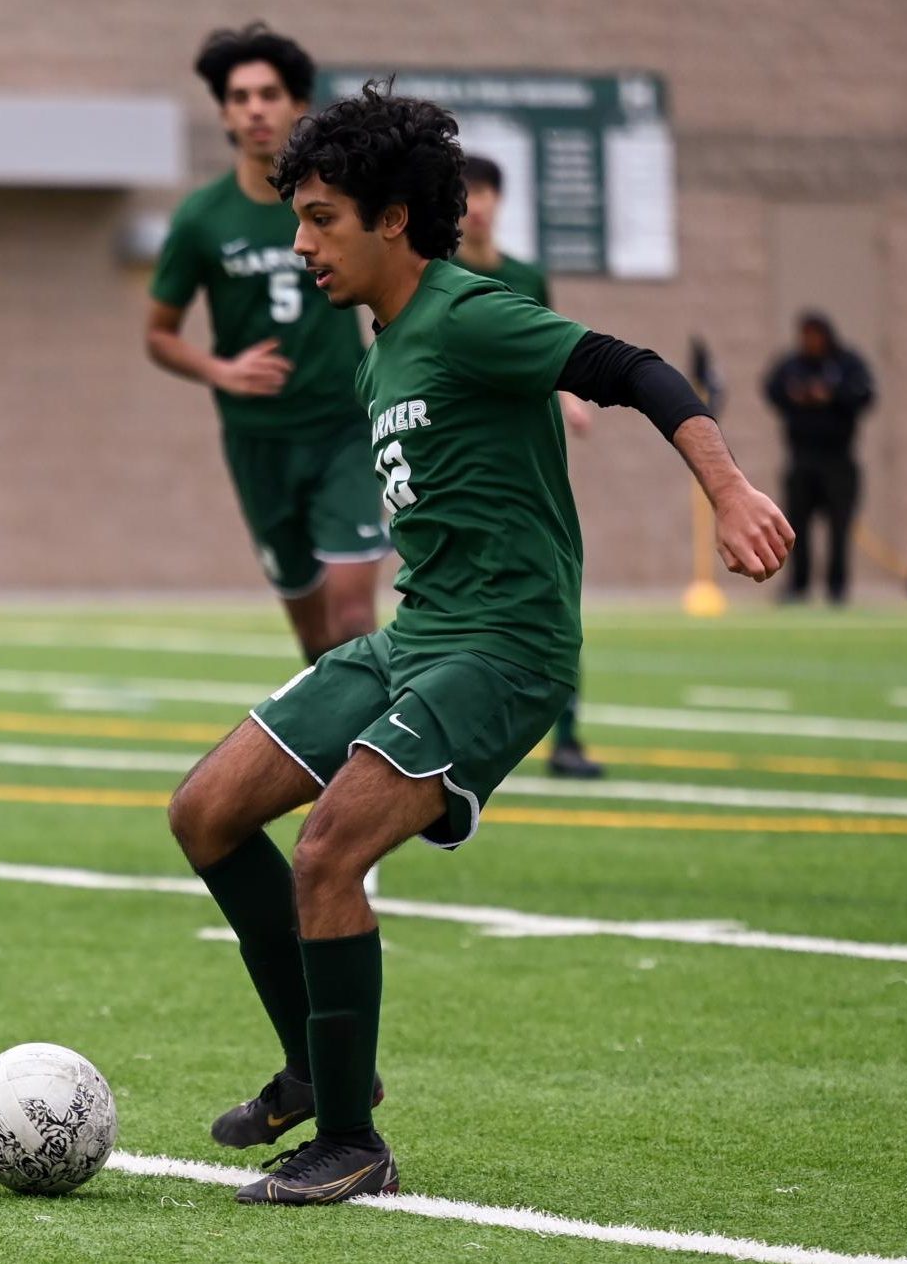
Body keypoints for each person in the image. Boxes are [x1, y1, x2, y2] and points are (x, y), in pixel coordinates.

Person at [167, 83, 794, 1206]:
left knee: (326, 851)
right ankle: (315, 1062)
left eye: (320, 218)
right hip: (419, 638)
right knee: (206, 810)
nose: (301, 241)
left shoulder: (469, 312)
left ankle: (352, 1141)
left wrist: (732, 486)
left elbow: (634, 370)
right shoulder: (380, 350)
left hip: (504, 648)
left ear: (392, 219)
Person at [146, 24, 389, 662]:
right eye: (240, 96)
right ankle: (327, 751)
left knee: (355, 615)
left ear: (298, 105)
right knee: (314, 638)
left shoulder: (337, 203)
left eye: (269, 93)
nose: (256, 108)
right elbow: (159, 335)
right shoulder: (202, 219)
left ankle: (370, 760)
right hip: (259, 442)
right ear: (224, 112)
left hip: (345, 426)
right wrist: (220, 371)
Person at [453, 153, 603, 780]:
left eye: (487, 190)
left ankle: (566, 739)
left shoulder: (526, 276)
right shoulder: (435, 279)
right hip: (466, 467)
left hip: (531, 463)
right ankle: (450, 739)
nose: (478, 202)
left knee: (554, 597)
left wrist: (570, 397)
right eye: (467, 192)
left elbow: (549, 349)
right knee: (461, 604)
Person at [763, 312, 875, 603]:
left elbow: (866, 394)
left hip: (838, 459)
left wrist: (831, 395)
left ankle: (837, 588)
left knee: (839, 525)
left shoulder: (846, 363)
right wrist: (796, 396)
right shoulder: (792, 364)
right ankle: (798, 586)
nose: (809, 342)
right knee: (796, 526)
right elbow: (771, 388)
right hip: (802, 458)